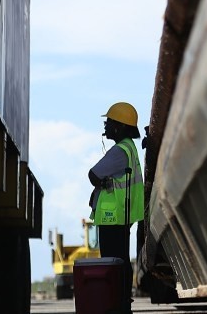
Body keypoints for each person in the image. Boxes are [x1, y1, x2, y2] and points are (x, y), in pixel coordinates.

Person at [88, 102, 145, 314]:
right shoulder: (130, 148)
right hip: (123, 214)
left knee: (112, 262)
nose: (106, 125)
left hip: (114, 216)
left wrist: (101, 183)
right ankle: (122, 303)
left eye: (109, 122)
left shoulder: (119, 151)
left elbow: (93, 174)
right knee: (120, 260)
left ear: (119, 127)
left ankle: (117, 304)